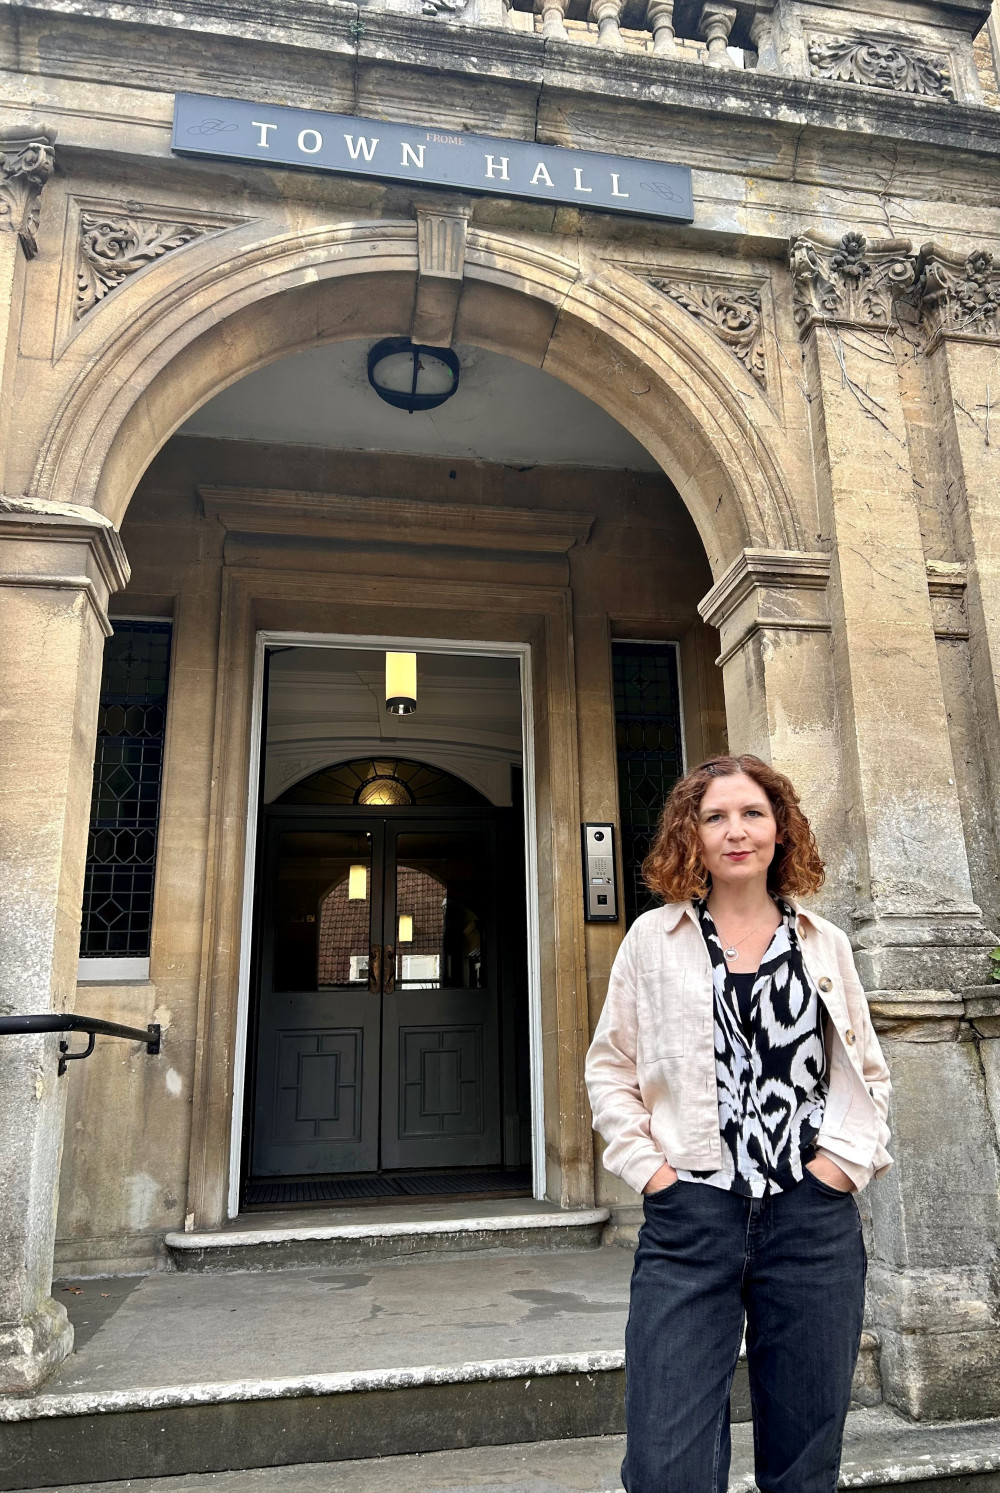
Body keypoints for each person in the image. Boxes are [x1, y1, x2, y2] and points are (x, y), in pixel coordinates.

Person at [585, 754, 892, 1493]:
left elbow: (866, 1075)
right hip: (692, 1217)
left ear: (780, 827)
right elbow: (609, 1069)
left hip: (810, 1221)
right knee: (666, 1466)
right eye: (714, 815)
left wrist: (834, 1173)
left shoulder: (824, 944)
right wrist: (655, 1176)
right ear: (690, 832)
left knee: (803, 1463)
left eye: (752, 812)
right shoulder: (649, 942)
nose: (735, 831)